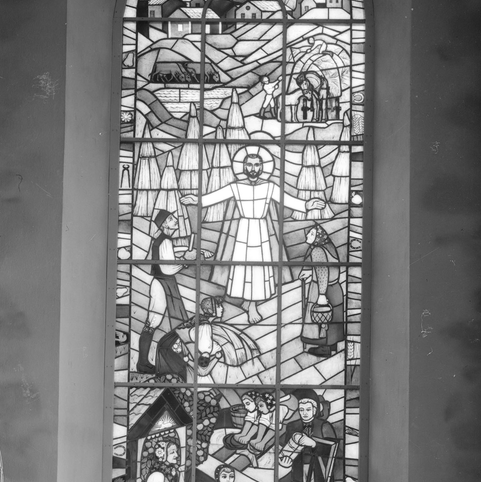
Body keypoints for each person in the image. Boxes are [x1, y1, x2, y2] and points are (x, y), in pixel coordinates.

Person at [182, 145, 326, 323]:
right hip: (243, 232)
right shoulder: (236, 187)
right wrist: (197, 200)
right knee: (242, 266)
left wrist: (306, 205)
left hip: (260, 231)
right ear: (243, 167)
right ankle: (246, 300)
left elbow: (287, 200)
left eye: (257, 165)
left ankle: (252, 304)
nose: (253, 169)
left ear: (262, 167)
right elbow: (215, 197)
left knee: (258, 266)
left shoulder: (269, 187)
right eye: (249, 165)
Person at [137, 210, 189, 373]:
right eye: (171, 219)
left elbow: (163, 258)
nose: (175, 220)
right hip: (162, 284)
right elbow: (167, 268)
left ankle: (145, 362)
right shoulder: (165, 241)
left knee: (153, 323)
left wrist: (179, 256)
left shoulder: (160, 240)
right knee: (153, 323)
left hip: (160, 283)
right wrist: (184, 263)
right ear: (164, 224)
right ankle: (144, 363)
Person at [279, 390, 338, 482]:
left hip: (318, 470)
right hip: (298, 468)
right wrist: (285, 461)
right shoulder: (292, 426)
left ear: (315, 409)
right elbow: (285, 447)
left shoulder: (324, 426)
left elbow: (333, 450)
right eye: (301, 410)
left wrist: (314, 444)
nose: (304, 413)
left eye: (308, 409)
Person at [299, 224, 345, 357]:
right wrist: (310, 272)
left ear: (318, 237)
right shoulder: (328, 246)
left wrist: (321, 295)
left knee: (323, 318)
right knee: (334, 318)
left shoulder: (317, 250)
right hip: (335, 288)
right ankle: (332, 346)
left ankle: (324, 348)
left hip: (323, 288)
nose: (308, 235)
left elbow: (322, 272)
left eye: (312, 234)